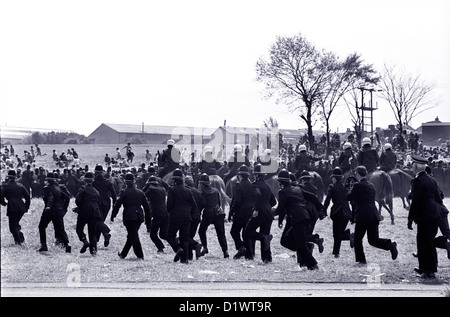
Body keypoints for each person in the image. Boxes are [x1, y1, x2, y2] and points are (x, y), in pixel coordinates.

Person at [346, 166, 398, 264]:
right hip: (373, 215)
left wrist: (350, 188)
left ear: (357, 174)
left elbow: (348, 197)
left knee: (357, 239)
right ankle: (390, 245)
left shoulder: (357, 186)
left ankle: (361, 260)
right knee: (373, 240)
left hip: (362, 216)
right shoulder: (371, 185)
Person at [407, 155, 443, 278]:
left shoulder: (417, 181)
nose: (411, 167)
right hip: (433, 215)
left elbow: (415, 201)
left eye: (412, 165)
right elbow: (439, 198)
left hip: (424, 216)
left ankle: (429, 271)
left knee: (425, 242)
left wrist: (410, 218)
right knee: (427, 241)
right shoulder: (432, 180)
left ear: (416, 166)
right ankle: (425, 267)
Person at [276, 169, 319, 270]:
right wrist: (321, 207)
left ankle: (313, 265)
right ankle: (307, 249)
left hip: (297, 218)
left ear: (281, 182)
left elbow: (280, 209)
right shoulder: (297, 188)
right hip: (305, 216)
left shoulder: (282, 192)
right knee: (287, 238)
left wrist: (270, 212)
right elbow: (312, 196)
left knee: (299, 244)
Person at [112, 172, 151, 260]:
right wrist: (148, 222)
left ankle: (140, 255)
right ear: (134, 182)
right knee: (131, 235)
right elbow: (146, 207)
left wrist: (113, 215)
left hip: (129, 216)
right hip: (139, 216)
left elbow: (117, 205)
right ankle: (123, 254)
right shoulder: (140, 192)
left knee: (133, 235)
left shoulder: (124, 192)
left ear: (126, 182)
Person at [243, 164, 277, 263]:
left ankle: (251, 254)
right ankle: (267, 259)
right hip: (268, 214)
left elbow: (258, 195)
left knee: (247, 232)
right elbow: (273, 202)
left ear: (256, 175)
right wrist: (266, 207)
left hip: (260, 213)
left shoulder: (255, 185)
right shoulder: (268, 186)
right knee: (265, 234)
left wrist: (257, 209)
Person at [165, 168, 197, 264]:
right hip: (186, 217)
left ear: (174, 179)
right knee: (185, 239)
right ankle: (185, 259)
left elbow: (169, 204)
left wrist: (169, 212)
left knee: (170, 236)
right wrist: (188, 214)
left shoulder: (171, 189)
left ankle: (177, 249)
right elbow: (194, 205)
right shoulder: (188, 190)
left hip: (175, 216)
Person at [323, 167, 354, 257]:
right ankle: (336, 252)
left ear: (334, 178)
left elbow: (327, 201)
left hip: (337, 212)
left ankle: (350, 236)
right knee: (339, 233)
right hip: (347, 212)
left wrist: (324, 210)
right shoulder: (346, 187)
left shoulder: (332, 187)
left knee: (336, 234)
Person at [228, 165, 258, 260]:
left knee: (234, 231)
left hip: (240, 213)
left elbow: (236, 201)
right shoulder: (253, 185)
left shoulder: (238, 185)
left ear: (239, 175)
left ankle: (241, 247)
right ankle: (250, 254)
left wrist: (231, 212)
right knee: (246, 233)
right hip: (250, 212)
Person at [38, 172, 72, 253]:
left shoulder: (47, 188)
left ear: (47, 180)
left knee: (41, 226)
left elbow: (50, 198)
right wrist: (64, 209)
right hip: (59, 211)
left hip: (49, 211)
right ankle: (67, 245)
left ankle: (44, 245)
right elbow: (67, 198)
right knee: (60, 228)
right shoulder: (58, 188)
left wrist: (48, 206)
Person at [197, 173, 229, 258]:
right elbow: (219, 202)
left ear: (201, 184)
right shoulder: (216, 191)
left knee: (201, 230)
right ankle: (225, 251)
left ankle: (205, 247)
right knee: (221, 233)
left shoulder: (201, 192)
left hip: (208, 213)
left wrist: (198, 213)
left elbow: (202, 204)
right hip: (219, 213)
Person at [74, 172, 102, 255]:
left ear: (85, 180)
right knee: (92, 232)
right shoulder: (96, 191)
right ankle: (93, 250)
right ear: (92, 181)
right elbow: (98, 202)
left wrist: (79, 207)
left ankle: (84, 241)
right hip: (95, 212)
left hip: (84, 211)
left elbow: (77, 200)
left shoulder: (83, 188)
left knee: (79, 228)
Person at [0, 170, 31, 245]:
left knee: (12, 227)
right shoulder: (20, 185)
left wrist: (4, 203)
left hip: (12, 206)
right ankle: (19, 239)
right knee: (15, 224)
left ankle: (19, 240)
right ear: (15, 177)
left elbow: (1, 196)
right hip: (21, 207)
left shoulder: (6, 186)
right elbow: (28, 197)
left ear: (8, 177)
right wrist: (26, 207)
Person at [93, 164, 117, 247]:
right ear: (102, 172)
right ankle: (97, 239)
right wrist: (114, 205)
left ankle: (105, 233)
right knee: (100, 221)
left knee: (97, 221)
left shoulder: (93, 182)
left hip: (96, 203)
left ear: (95, 172)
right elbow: (114, 195)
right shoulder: (108, 181)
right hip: (107, 204)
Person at [144, 175, 169, 253]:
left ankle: (160, 247)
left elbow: (142, 194)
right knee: (163, 234)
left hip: (157, 213)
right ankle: (176, 241)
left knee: (153, 234)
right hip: (165, 213)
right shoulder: (163, 189)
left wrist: (146, 185)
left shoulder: (151, 190)